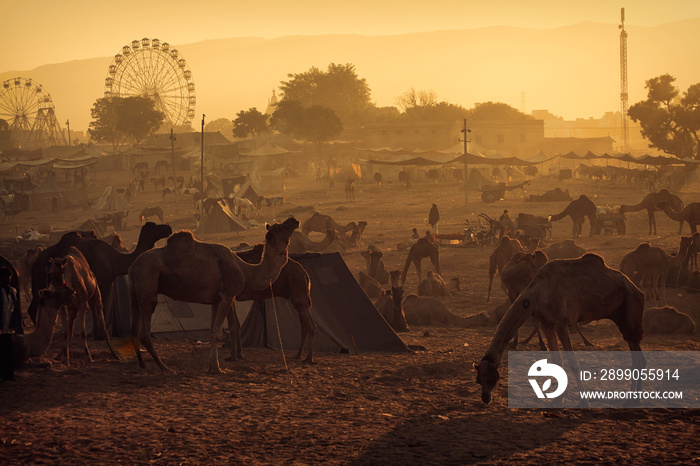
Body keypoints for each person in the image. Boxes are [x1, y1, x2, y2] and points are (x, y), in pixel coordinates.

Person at [0, 266, 22, 381]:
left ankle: (8, 374)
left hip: (8, 327)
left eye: (7, 277)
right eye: (3, 277)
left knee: (8, 351)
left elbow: (16, 309)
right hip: (1, 326)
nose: (5, 279)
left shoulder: (13, 291)